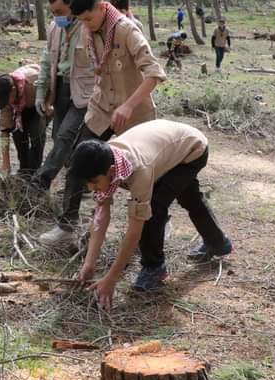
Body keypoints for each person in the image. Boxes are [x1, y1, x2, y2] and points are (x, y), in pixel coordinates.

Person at [39, 0, 166, 248]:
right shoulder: (88, 30)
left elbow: (154, 74)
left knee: (148, 174)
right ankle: (67, 226)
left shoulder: (126, 29)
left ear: (100, 7)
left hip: (134, 112)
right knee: (79, 161)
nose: (85, 25)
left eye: (88, 18)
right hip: (101, 108)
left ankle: (154, 226)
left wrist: (128, 106)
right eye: (81, 20)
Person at [69, 120, 233, 305]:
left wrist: (111, 279)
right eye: (87, 183)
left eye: (94, 182)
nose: (91, 188)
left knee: (153, 209)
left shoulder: (139, 171)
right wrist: (89, 264)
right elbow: (100, 218)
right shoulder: (104, 160)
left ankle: (154, 267)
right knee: (189, 197)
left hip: (192, 149)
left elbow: (135, 230)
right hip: (168, 148)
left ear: (111, 171)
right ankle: (219, 243)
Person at [32, 0, 95, 200]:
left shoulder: (88, 27)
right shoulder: (54, 28)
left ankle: (41, 181)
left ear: (72, 6)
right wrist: (41, 93)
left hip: (83, 91)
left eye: (59, 11)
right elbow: (47, 61)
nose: (56, 16)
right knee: (59, 136)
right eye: (52, 12)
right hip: (60, 88)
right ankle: (81, 182)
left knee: (65, 135)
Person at [0, 64, 46, 176]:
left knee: (37, 134)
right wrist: (6, 163)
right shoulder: (6, 98)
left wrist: (49, 106)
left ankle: (34, 171)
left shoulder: (33, 82)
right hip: (21, 108)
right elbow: (5, 130)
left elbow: (51, 89)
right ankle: (24, 169)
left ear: (13, 90)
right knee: (17, 134)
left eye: (6, 99)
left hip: (39, 102)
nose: (5, 103)